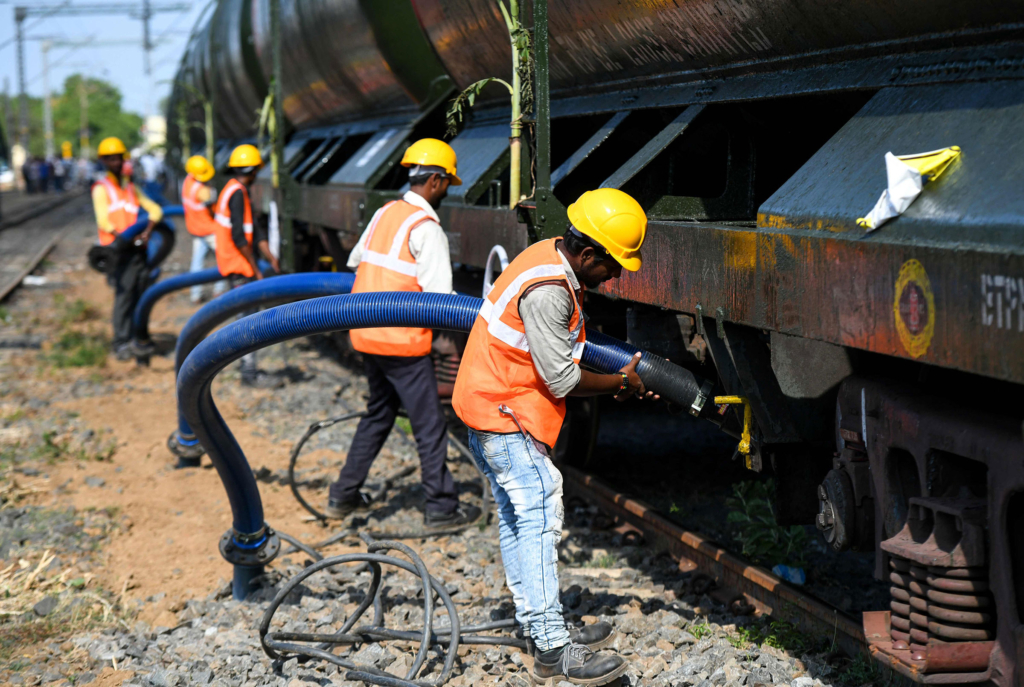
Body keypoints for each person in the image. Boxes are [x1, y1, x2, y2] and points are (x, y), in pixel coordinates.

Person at [452, 188, 655, 686]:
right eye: (614, 265)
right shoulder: (548, 291)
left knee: (518, 517)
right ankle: (552, 649)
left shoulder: (552, 257)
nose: (618, 275)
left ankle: (536, 625)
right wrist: (622, 382)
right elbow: (562, 379)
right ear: (587, 254)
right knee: (540, 509)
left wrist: (619, 378)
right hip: (504, 413)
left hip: (492, 405)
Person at [325, 138, 479, 529]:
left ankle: (343, 495)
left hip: (366, 334)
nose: (447, 191)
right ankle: (442, 507)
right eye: (448, 184)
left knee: (379, 413)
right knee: (428, 424)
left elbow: (357, 260)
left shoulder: (385, 212)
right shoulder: (426, 229)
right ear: (436, 181)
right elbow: (440, 300)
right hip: (401, 342)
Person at [91, 137, 167, 361]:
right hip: (117, 251)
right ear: (103, 161)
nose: (115, 162)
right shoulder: (101, 189)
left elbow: (155, 209)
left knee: (141, 294)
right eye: (110, 158)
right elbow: (103, 220)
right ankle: (121, 342)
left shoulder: (131, 186)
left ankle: (138, 337)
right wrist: (123, 238)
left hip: (136, 250)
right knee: (124, 296)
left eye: (118, 158)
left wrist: (147, 230)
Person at [213, 144, 280, 388]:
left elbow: (255, 229)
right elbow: (240, 237)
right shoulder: (238, 194)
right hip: (239, 265)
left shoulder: (234, 189)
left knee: (248, 316)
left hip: (236, 263)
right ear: (251, 170)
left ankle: (247, 370)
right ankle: (248, 374)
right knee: (248, 319)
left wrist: (270, 256)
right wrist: (257, 268)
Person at [181, 155, 226, 303]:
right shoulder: (203, 191)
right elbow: (213, 209)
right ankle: (220, 290)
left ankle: (195, 294)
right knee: (224, 258)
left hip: (195, 229)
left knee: (197, 262)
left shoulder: (187, 182)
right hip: (209, 229)